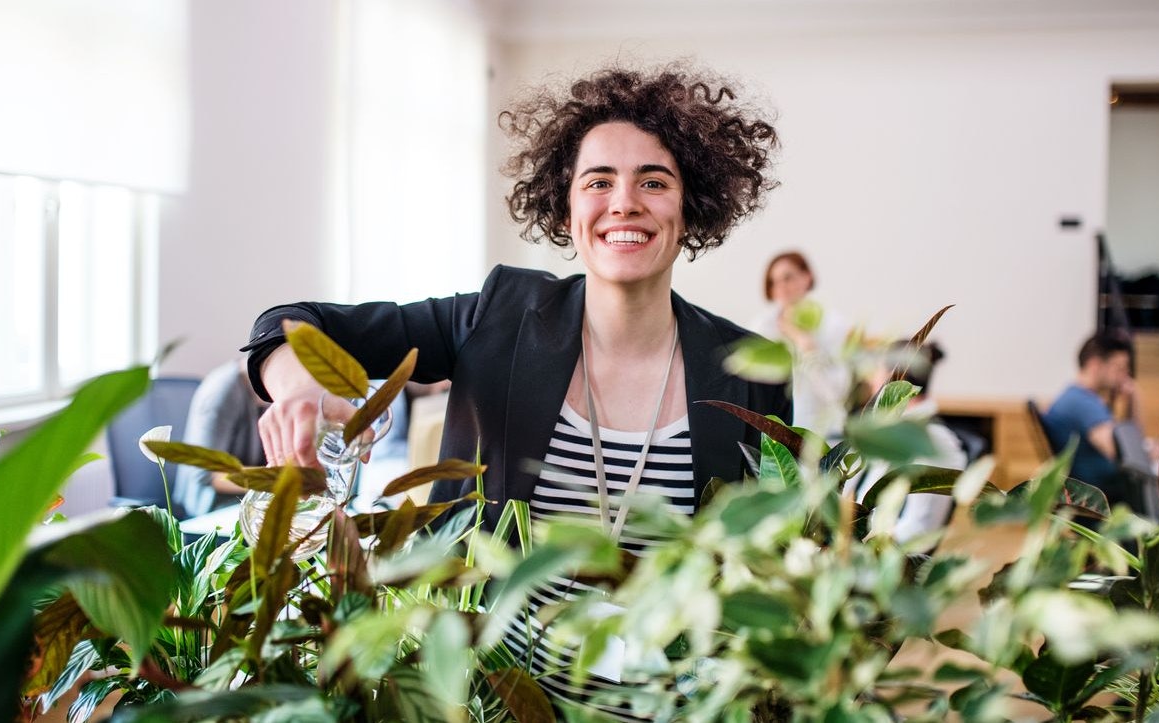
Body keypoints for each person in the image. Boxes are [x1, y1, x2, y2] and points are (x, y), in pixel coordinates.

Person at [242, 64, 790, 718]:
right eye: (599, 181)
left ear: (690, 204)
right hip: (479, 703)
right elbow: (288, 323)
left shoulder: (751, 367)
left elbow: (771, 578)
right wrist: (302, 391)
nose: (625, 202)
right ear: (565, 206)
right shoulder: (498, 316)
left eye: (654, 181)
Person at [849, 341, 968, 543]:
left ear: (895, 379)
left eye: (877, 370)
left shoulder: (933, 442)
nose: (871, 380)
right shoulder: (888, 431)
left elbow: (917, 530)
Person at [750, 250, 854, 437]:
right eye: (774, 282)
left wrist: (806, 346)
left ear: (807, 277)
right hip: (777, 436)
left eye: (788, 277)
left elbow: (836, 394)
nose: (781, 287)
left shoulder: (833, 325)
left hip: (826, 435)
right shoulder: (763, 328)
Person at [1042, 333, 1147, 507]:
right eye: (1119, 368)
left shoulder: (1077, 397)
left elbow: (1126, 443)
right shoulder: (1084, 404)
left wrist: (1130, 399)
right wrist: (1136, 395)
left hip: (1095, 491)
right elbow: (1123, 453)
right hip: (1103, 496)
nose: (1124, 377)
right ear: (1095, 364)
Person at [173, 358, 269, 517]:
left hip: (248, 500)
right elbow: (207, 474)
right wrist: (276, 478)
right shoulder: (223, 389)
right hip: (210, 509)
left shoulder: (268, 393)